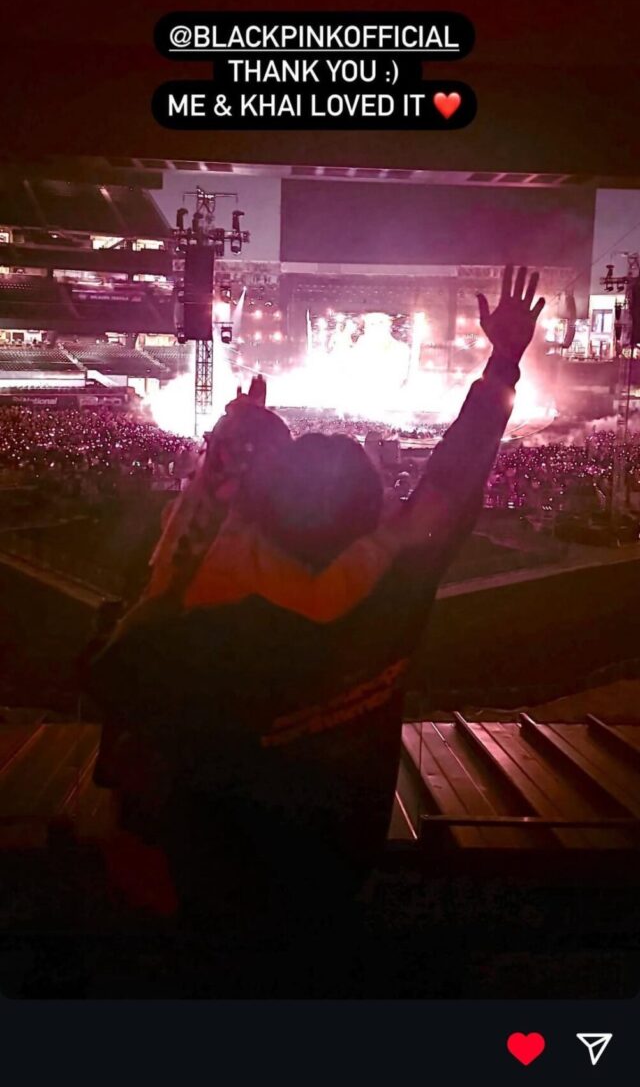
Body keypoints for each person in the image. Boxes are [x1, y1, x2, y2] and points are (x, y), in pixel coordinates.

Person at [87, 266, 544, 926]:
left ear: (266, 515)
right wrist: (503, 362)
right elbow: (457, 471)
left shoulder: (208, 616)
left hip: (213, 877)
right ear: (368, 515)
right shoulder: (395, 588)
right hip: (341, 865)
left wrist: (222, 473)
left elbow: (115, 674)